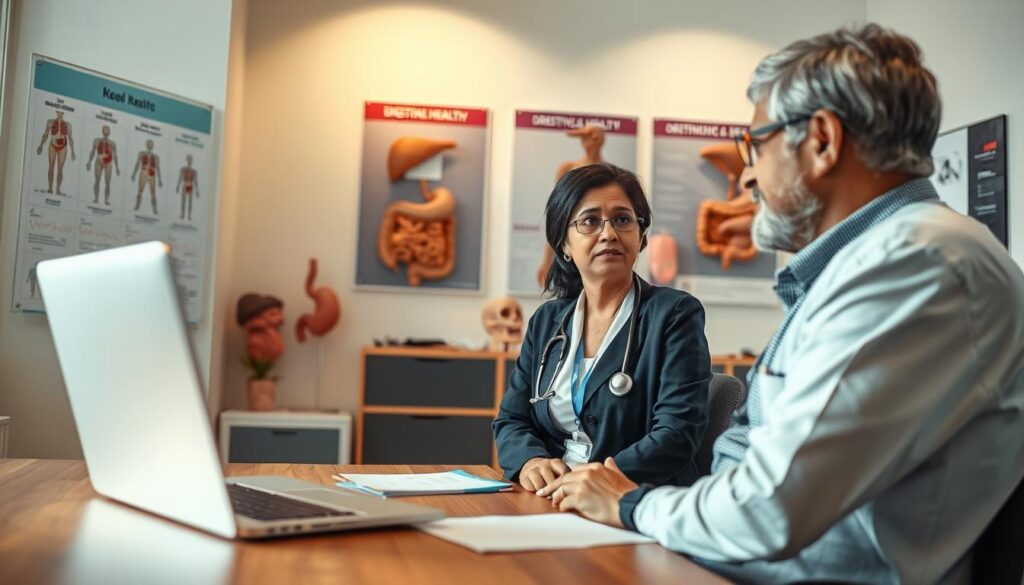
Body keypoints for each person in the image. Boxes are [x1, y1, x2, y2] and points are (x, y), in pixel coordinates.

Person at [543, 24, 1024, 584]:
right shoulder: (873, 261)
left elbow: (769, 507)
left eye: (757, 145)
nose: (747, 173)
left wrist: (629, 505)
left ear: (822, 140)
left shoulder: (914, 264)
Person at [493, 162, 711, 493]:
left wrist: (592, 479)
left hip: (633, 499)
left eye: (623, 220)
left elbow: (677, 433)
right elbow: (512, 420)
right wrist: (530, 461)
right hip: (553, 496)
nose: (608, 233)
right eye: (590, 221)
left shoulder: (674, 314)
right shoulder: (547, 322)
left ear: (640, 238)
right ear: (564, 244)